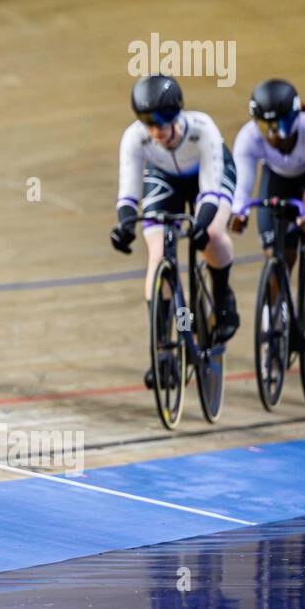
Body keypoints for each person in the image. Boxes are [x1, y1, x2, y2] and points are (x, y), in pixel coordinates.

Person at [111, 75, 239, 385]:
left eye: (162, 121)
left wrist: (202, 224)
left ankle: (223, 303)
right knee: (157, 257)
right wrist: (125, 226)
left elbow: (210, 192)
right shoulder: (134, 138)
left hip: (206, 178)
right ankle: (161, 351)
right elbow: (128, 196)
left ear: (177, 114)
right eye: (147, 122)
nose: (155, 130)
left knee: (212, 236)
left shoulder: (203, 129)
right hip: (164, 179)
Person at [228, 79, 305, 306]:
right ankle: (271, 322)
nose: (272, 135)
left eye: (279, 126)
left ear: (294, 118)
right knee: (277, 253)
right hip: (279, 178)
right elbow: (242, 184)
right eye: (265, 126)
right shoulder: (248, 137)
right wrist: (238, 212)